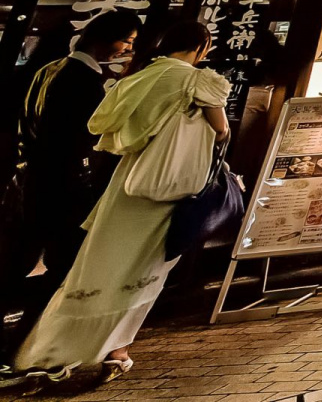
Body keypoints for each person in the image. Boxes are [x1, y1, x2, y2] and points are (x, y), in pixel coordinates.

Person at [10, 20, 230, 384]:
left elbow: (100, 128)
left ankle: (51, 352)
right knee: (146, 273)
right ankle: (117, 351)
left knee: (96, 270)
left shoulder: (134, 80)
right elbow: (221, 130)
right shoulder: (200, 80)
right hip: (167, 190)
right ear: (201, 47)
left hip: (125, 186)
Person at [2, 11, 140, 320]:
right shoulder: (84, 80)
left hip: (29, 178)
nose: (126, 49)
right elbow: (76, 138)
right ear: (106, 40)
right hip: (61, 185)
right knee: (62, 262)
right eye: (126, 41)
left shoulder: (49, 70)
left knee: (18, 260)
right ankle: (30, 333)